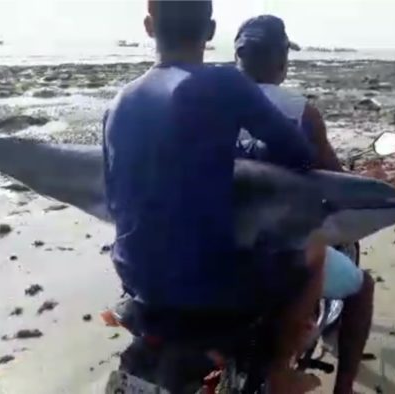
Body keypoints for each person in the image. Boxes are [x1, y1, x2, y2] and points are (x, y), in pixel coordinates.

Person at [103, 1, 324, 392]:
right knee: (315, 251)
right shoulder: (225, 83)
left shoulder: (120, 101)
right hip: (210, 288)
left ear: (149, 27)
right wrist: (250, 154)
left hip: (134, 278)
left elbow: (116, 192)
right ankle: (276, 372)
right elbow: (298, 154)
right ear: (210, 31)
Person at [234, 15, 376, 394]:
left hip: (213, 244)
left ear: (238, 59)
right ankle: (343, 387)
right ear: (282, 60)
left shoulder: (206, 106)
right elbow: (332, 175)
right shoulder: (300, 112)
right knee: (363, 288)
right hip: (277, 255)